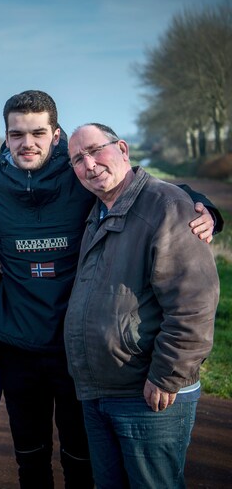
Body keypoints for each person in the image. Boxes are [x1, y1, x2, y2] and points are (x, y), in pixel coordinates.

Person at [0, 90, 221, 488]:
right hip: (17, 344)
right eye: (17, 134)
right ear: (6, 136)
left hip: (76, 349)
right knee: (30, 459)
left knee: (81, 459)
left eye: (38, 133)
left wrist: (205, 207)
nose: (27, 143)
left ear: (56, 135)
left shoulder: (78, 175)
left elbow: (142, 188)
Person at [65, 123, 218, 488]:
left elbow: (194, 304)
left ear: (122, 148)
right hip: (100, 391)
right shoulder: (98, 211)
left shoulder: (167, 206)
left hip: (148, 394)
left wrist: (167, 375)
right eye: (78, 159)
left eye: (95, 151)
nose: (89, 164)